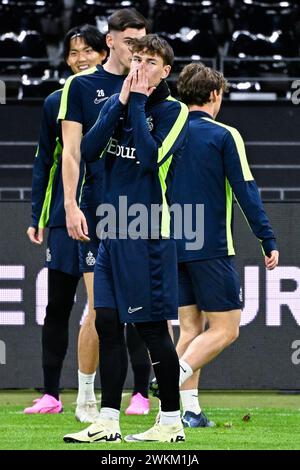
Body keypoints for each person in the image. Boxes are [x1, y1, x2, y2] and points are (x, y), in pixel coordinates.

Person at [63, 34, 189, 444]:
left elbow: (152, 159)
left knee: (152, 330)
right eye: (136, 58)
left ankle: (171, 421)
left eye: (150, 62)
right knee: (107, 324)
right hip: (110, 231)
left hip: (148, 230)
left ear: (165, 71)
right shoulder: (114, 103)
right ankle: (108, 421)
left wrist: (136, 101)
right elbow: (90, 150)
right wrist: (119, 102)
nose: (140, 67)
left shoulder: (175, 111)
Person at [172, 62, 279, 427]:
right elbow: (246, 191)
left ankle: (188, 411)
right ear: (215, 95)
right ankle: (173, 380)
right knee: (227, 329)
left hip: (172, 243)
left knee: (190, 329)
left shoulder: (167, 133)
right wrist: (267, 238)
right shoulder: (224, 135)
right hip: (211, 244)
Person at [58, 9, 151, 419]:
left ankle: (143, 395)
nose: (137, 50)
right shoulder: (81, 86)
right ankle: (84, 395)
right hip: (96, 208)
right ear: (109, 40)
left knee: (145, 310)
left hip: (137, 213)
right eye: (130, 41)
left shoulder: (152, 83)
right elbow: (71, 151)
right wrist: (70, 203)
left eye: (143, 42)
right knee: (101, 309)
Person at [24, 25, 107, 419]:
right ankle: (52, 393)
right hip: (62, 216)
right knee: (57, 305)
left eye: (87, 51)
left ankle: (139, 392)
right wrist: (37, 213)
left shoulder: (119, 97)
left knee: (109, 305)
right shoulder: (55, 101)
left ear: (103, 53)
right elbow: (45, 160)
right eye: (73, 53)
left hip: (108, 214)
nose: (79, 59)